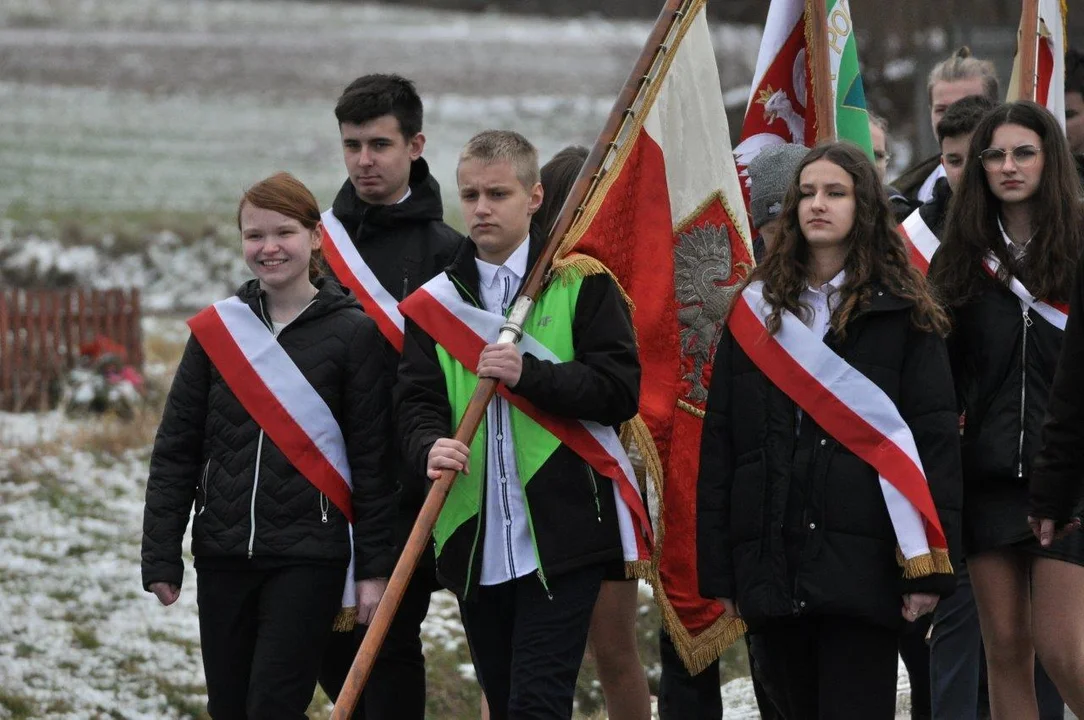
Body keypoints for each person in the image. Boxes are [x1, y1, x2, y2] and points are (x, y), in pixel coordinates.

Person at [698, 141, 961, 719]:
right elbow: (721, 446)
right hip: (771, 563)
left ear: (862, 207)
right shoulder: (752, 312)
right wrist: (721, 571)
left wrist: (933, 568)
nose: (818, 204)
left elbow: (934, 444)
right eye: (808, 193)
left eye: (835, 193)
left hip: (862, 569)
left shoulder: (904, 314)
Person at [395, 130, 644, 719]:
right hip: (473, 535)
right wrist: (427, 445)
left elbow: (618, 391)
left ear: (534, 197)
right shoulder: (435, 303)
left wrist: (531, 375)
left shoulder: (584, 282)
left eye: (497, 194)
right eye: (471, 194)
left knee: (539, 703)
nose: (481, 208)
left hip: (563, 535)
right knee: (506, 703)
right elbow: (416, 401)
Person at [141, 172, 398, 718]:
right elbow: (177, 449)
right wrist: (160, 549)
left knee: (274, 705)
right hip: (223, 552)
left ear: (315, 238)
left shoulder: (355, 334)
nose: (269, 247)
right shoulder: (217, 332)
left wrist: (374, 569)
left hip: (310, 555)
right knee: (229, 707)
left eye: (283, 232)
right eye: (253, 235)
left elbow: (374, 462)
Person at [929, 100, 1084, 718]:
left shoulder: (1077, 246)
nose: (1008, 166)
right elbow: (938, 374)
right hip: (987, 477)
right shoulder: (958, 257)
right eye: (994, 154)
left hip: (1069, 474)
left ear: (1050, 159)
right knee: (1007, 651)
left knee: (1063, 649)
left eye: (1024, 152)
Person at [317, 73, 462, 719]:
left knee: (390, 641)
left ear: (416, 144)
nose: (363, 160)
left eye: (379, 144)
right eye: (352, 145)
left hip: (404, 486)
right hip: (321, 476)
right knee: (327, 641)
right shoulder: (314, 248)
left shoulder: (450, 255)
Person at [533, 144, 652, 720]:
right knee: (516, 658)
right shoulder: (528, 284)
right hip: (532, 486)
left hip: (604, 480)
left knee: (613, 651)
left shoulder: (623, 278)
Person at [893, 47, 1000, 204]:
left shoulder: (1015, 191)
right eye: (941, 109)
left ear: (995, 110)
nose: (953, 117)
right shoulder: (903, 194)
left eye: (966, 105)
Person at [747, 143, 808, 262]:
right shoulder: (743, 271)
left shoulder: (849, 272)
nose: (785, 244)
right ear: (759, 229)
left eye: (793, 228)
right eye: (773, 231)